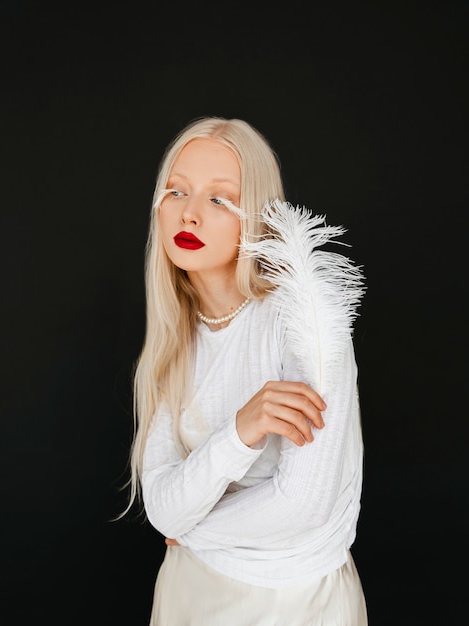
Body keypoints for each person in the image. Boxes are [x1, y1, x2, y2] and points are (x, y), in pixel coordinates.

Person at [123, 116, 368, 625]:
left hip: (294, 605)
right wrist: (240, 430)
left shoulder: (306, 321)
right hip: (189, 596)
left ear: (254, 216)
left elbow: (303, 509)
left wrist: (188, 525)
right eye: (176, 191)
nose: (189, 215)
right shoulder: (175, 336)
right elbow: (162, 506)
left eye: (219, 199)